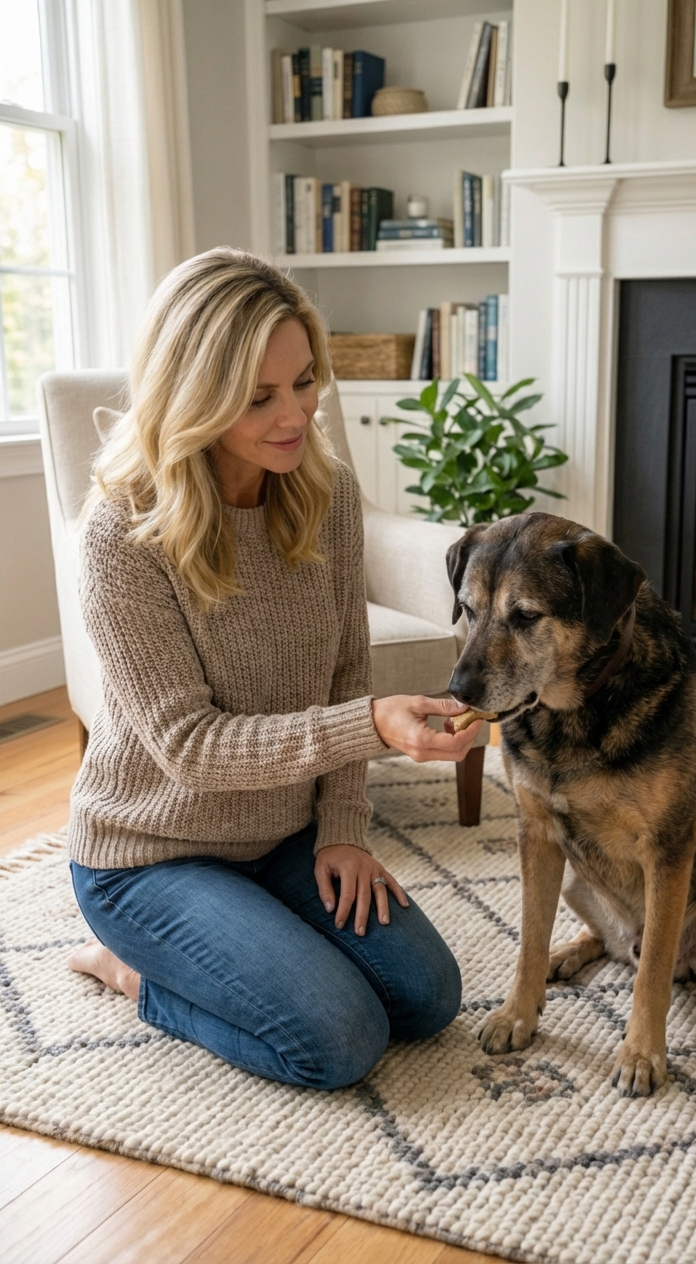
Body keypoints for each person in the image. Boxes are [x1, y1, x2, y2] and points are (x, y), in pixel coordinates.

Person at [67, 247, 482, 1090]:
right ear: (196, 397)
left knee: (429, 997)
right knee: (339, 1040)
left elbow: (342, 673)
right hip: (151, 854)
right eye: (260, 397)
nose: (295, 415)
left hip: (282, 834)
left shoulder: (320, 496)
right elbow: (191, 747)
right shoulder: (122, 533)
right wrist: (370, 727)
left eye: (304, 381)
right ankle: (132, 971)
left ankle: (241, 933)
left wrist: (341, 829)